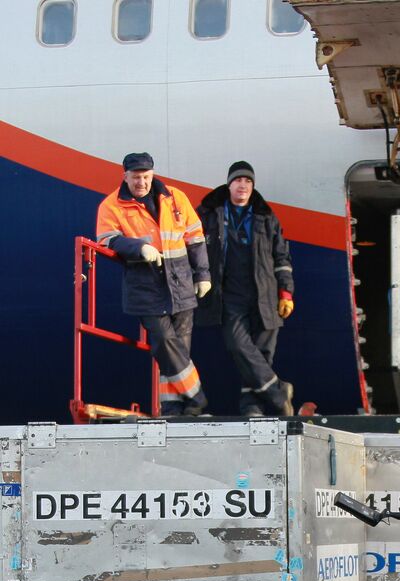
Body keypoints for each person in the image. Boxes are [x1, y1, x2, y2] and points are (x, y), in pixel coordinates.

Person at [96, 152, 211, 416]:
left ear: (152, 174)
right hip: (146, 288)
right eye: (136, 178)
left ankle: (174, 407)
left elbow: (195, 237)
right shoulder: (111, 206)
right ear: (125, 176)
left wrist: (203, 275)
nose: (142, 183)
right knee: (164, 342)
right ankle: (196, 396)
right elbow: (106, 238)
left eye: (146, 177)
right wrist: (139, 248)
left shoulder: (175, 198)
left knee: (177, 349)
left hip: (180, 283)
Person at [196, 161, 295, 417]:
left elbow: (282, 258)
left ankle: (251, 406)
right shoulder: (209, 213)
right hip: (229, 294)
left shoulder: (266, 217)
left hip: (265, 294)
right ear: (229, 184)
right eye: (238, 180)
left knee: (262, 354)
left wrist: (286, 293)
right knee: (238, 345)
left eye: (248, 181)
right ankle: (277, 391)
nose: (243, 185)